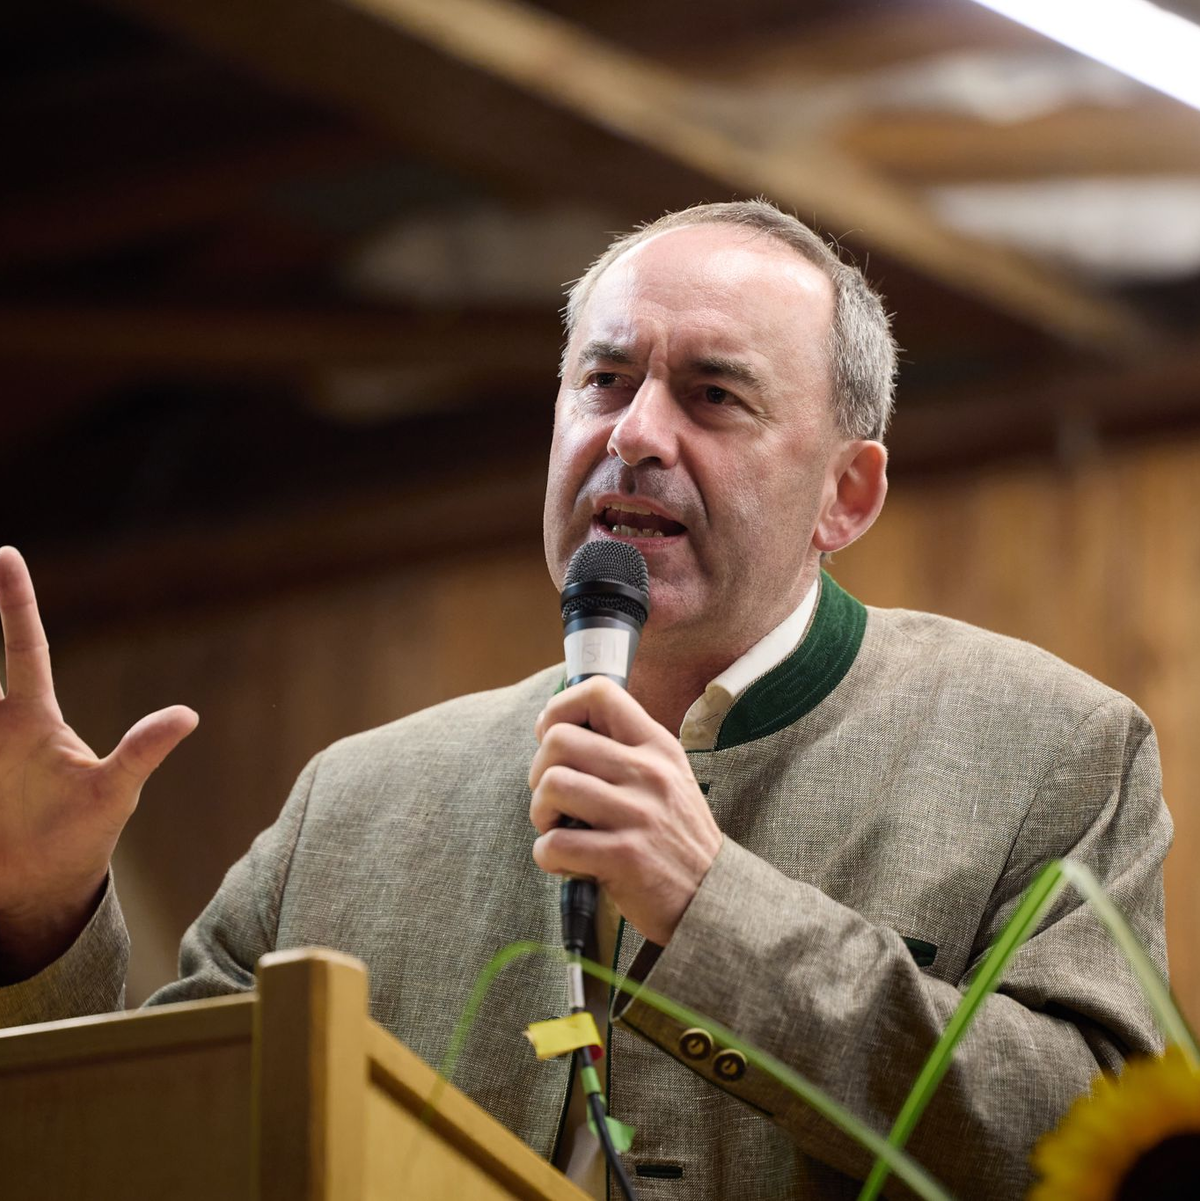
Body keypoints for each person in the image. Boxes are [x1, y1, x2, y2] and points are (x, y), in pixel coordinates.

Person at [0, 201, 1171, 1199]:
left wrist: (714, 912)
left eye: (714, 395)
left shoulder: (1046, 749)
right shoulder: (356, 803)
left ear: (845, 493)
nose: (637, 433)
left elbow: (1101, 1150)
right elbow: (138, 1144)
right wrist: (41, 927)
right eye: (604, 380)